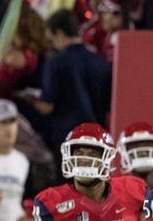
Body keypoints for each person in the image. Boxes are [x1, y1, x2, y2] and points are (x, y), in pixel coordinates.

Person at [33, 10, 111, 148]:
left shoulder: (55, 62)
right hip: (98, 138)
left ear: (59, 33)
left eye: (51, 39)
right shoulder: (100, 62)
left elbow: (47, 106)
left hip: (67, 138)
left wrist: (28, 100)